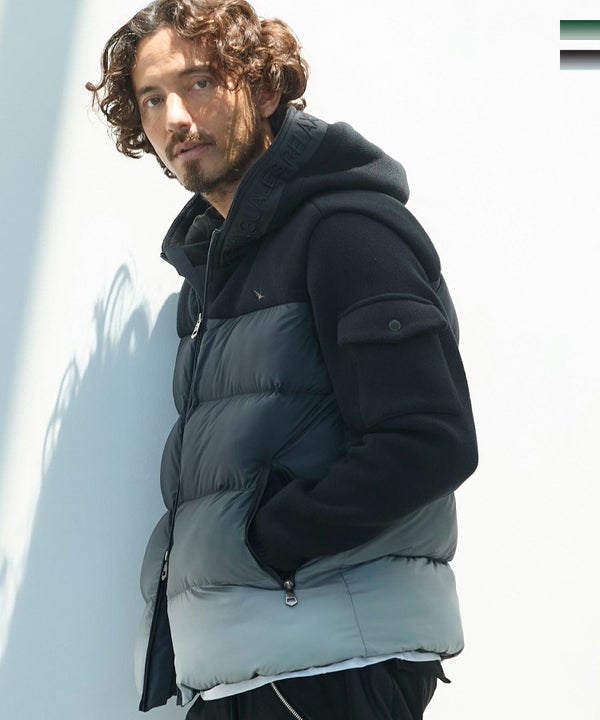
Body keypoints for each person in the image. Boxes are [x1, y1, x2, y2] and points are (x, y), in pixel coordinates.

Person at [87, 1, 478, 718]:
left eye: (200, 83)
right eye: (153, 99)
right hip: (247, 667)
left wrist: (265, 543)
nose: (177, 117)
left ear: (265, 90)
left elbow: (428, 440)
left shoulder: (347, 233)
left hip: (330, 661)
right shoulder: (212, 276)